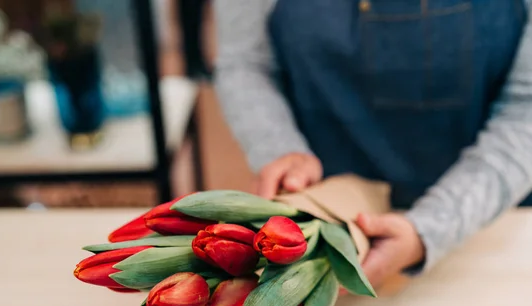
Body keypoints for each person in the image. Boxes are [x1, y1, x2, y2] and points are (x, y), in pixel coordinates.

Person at [213, 0, 532, 290]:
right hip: (331, 229)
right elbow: (245, 61)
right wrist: (278, 147)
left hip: (492, 225)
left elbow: (526, 106)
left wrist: (429, 230)